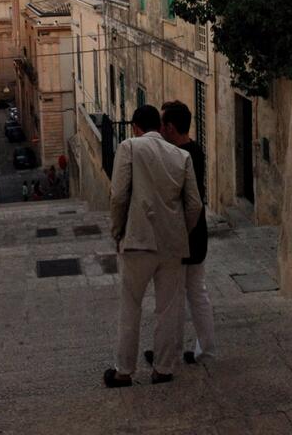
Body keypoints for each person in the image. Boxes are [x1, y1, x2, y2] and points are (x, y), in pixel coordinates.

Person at [103, 104, 202, 388]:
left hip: (138, 241)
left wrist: (118, 231)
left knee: (130, 306)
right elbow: (194, 204)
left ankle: (124, 371)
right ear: (160, 127)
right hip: (172, 244)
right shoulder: (181, 155)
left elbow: (118, 195)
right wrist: (182, 231)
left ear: (135, 127)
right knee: (168, 309)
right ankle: (163, 368)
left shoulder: (129, 147)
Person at [158, 100, 215, 364]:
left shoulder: (181, 157)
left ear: (170, 127)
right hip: (198, 234)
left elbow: (186, 201)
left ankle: (175, 350)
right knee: (195, 291)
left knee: (178, 295)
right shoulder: (196, 151)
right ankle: (203, 347)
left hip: (185, 234)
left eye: (162, 124)